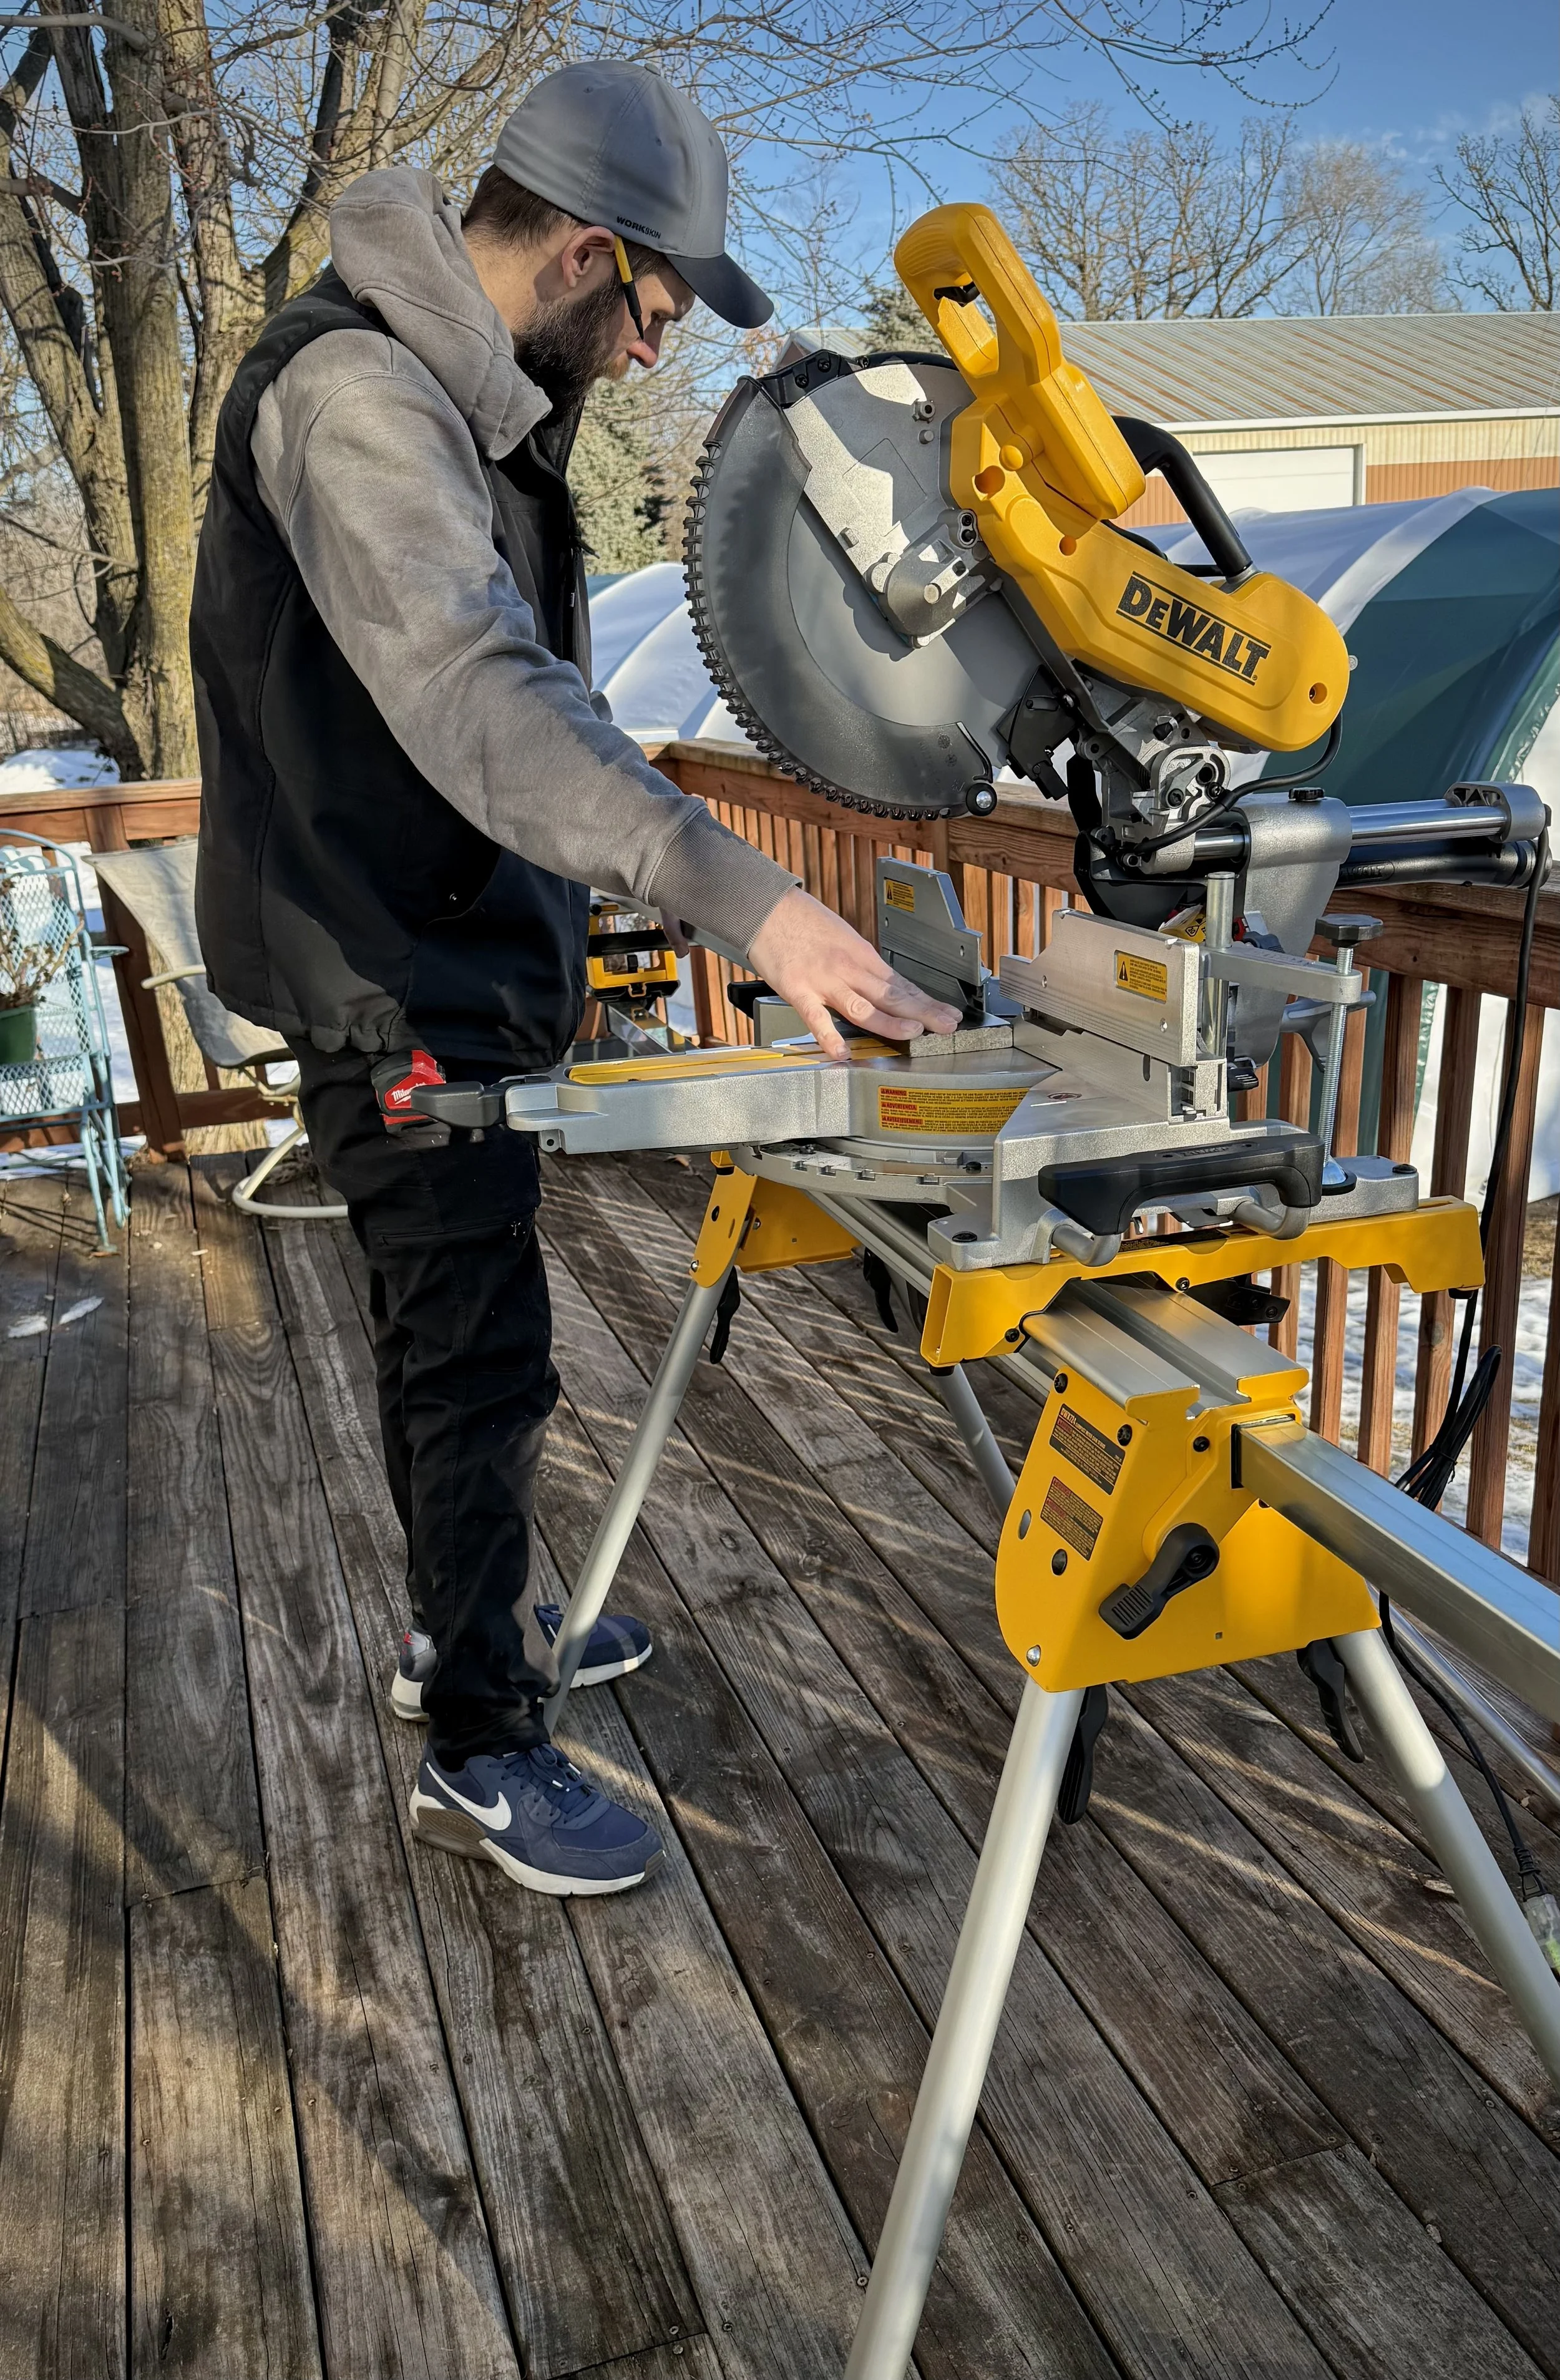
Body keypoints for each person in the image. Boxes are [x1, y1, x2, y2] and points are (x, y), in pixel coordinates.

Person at [192, 61, 959, 1900]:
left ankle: (462, 1618)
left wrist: (598, 919)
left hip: (440, 952)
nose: (646, 353)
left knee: (451, 1340)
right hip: (385, 977)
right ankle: (481, 1731)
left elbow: (543, 717)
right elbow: (468, 690)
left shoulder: (471, 407)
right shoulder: (362, 397)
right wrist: (742, 901)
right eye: (653, 313)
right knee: (478, 1357)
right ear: (588, 254)